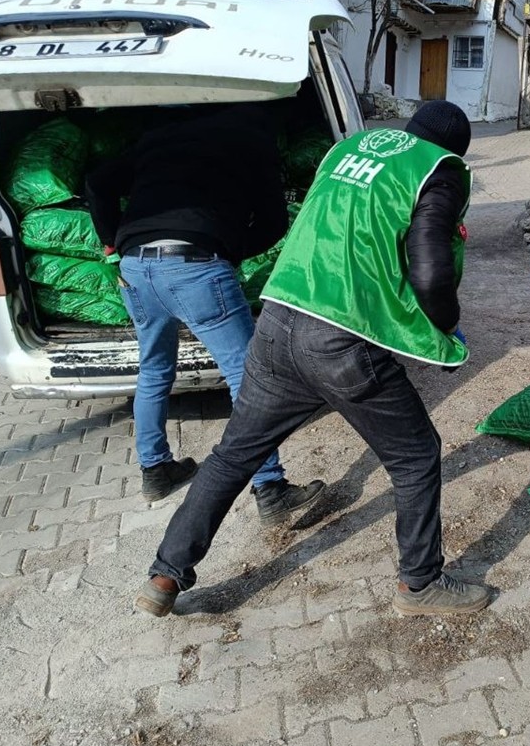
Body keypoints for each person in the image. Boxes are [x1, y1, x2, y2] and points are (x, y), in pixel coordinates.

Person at [135, 100, 492, 618]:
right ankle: (421, 584)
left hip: (278, 321)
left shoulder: (348, 150)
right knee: (415, 456)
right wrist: (444, 328)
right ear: (452, 151)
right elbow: (432, 272)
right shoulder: (437, 172)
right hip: (341, 340)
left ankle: (165, 575)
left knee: (235, 454)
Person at [86, 103, 324, 527]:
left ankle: (155, 470)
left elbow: (98, 181)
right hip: (196, 264)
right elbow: (272, 223)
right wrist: (228, 252)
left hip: (135, 267)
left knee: (155, 368)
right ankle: (271, 489)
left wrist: (110, 239)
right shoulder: (253, 141)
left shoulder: (158, 139)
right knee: (250, 376)